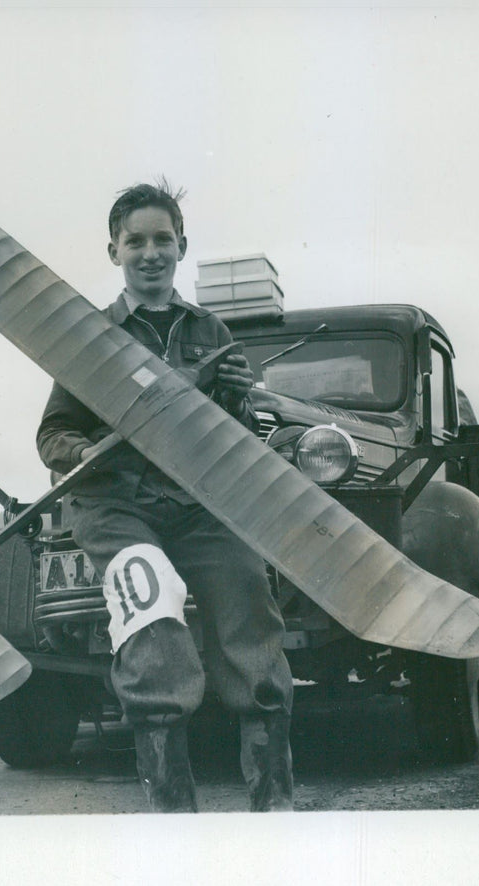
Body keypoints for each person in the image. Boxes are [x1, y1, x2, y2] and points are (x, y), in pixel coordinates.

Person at [36, 181, 294, 812]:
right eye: (135, 241)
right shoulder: (88, 336)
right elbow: (53, 434)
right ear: (113, 250)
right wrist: (85, 453)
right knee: (153, 626)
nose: (149, 253)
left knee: (250, 605)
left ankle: (275, 807)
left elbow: (238, 436)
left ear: (181, 246)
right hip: (116, 506)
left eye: (162, 240)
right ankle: (174, 816)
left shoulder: (212, 330)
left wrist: (238, 395)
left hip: (201, 503)